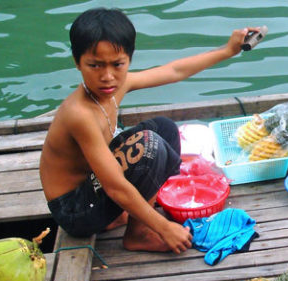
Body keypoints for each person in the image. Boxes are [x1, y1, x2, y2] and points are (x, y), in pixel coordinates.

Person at [39, 7, 258, 253]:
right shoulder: (80, 114)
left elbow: (175, 71)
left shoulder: (115, 86)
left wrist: (228, 50)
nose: (108, 76)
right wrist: (164, 227)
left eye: (117, 64)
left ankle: (124, 218)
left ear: (129, 60)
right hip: (75, 211)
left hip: (92, 189)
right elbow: (114, 187)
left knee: (164, 128)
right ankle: (138, 233)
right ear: (77, 62)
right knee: (149, 146)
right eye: (95, 66)